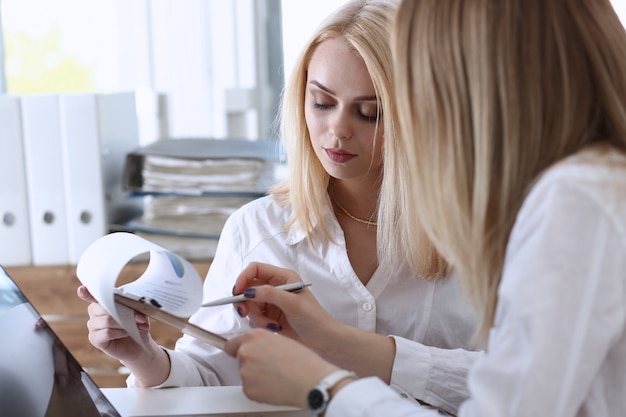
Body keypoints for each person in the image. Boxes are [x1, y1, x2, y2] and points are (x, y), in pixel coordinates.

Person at [223, 0, 626, 416]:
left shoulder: (577, 202)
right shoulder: (592, 185)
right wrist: (334, 344)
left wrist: (324, 386)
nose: (424, 115)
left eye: (375, 111)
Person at [78, 0, 480, 414]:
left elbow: (524, 382)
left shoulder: (480, 235)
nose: (338, 130)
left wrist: (347, 346)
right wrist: (143, 356)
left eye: (369, 113)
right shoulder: (256, 230)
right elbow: (207, 373)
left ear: (420, 116)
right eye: (322, 103)